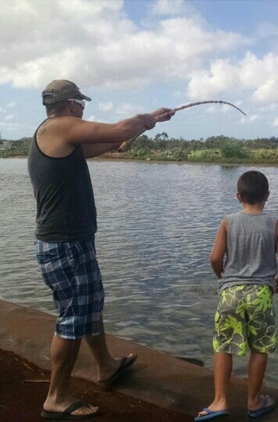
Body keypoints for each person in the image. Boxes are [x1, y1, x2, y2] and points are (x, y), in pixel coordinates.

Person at [28, 79, 174, 419]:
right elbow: (119, 127)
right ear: (70, 104)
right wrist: (147, 117)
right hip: (63, 245)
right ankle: (55, 397)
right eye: (81, 102)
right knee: (74, 317)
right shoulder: (59, 126)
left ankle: (106, 366)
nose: (83, 108)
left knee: (90, 305)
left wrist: (144, 127)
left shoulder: (66, 140)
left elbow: (115, 141)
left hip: (74, 241)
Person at [196, 170, 278, 421]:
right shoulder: (276, 225)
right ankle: (253, 402)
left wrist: (223, 277)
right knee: (260, 347)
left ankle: (219, 401)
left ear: (238, 196)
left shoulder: (228, 221)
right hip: (261, 293)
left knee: (223, 346)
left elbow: (215, 258)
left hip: (231, 292)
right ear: (267, 196)